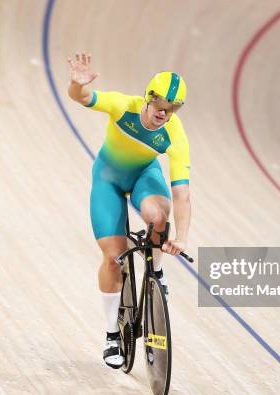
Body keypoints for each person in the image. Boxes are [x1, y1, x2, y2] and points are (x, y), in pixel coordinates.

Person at [67, 52, 192, 369]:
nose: (165, 113)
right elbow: (84, 97)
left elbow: (182, 193)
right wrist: (77, 84)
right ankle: (112, 335)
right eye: (161, 105)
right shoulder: (124, 106)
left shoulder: (175, 133)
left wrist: (183, 237)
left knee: (159, 215)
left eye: (173, 108)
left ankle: (157, 271)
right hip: (107, 180)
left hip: (143, 178)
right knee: (113, 257)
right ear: (149, 97)